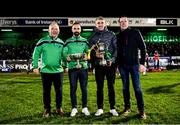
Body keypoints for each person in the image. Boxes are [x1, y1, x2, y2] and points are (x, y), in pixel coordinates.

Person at [116, 16, 147, 119]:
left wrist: (142, 63)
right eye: (121, 21)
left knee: (137, 88)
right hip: (122, 66)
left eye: (125, 21)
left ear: (128, 22)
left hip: (134, 65)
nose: (123, 23)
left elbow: (143, 48)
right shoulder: (117, 35)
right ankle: (127, 108)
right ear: (119, 23)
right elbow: (117, 53)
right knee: (125, 88)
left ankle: (141, 111)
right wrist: (117, 66)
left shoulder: (135, 32)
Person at [32, 21, 64, 118]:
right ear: (49, 30)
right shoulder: (42, 41)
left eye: (56, 29)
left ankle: (59, 108)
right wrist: (35, 66)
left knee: (59, 91)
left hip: (58, 71)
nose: (54, 31)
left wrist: (66, 65)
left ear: (59, 30)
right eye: (52, 29)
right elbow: (35, 53)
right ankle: (47, 109)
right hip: (45, 71)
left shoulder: (61, 42)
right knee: (46, 91)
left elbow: (64, 55)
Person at [88, 16, 118, 116]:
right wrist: (95, 55)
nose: (100, 24)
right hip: (98, 65)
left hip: (110, 65)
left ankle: (112, 108)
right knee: (99, 87)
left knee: (111, 87)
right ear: (95, 24)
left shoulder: (111, 34)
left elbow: (116, 49)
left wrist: (111, 60)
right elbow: (90, 52)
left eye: (102, 22)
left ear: (105, 23)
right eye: (98, 23)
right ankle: (100, 108)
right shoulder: (92, 36)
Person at [63, 22, 90, 117]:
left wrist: (88, 56)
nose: (76, 30)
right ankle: (74, 108)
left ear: (80, 30)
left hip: (83, 68)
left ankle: (84, 107)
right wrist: (66, 57)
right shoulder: (68, 41)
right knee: (73, 88)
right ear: (72, 30)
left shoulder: (85, 41)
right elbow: (64, 52)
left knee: (84, 89)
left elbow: (88, 51)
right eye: (75, 28)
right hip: (72, 68)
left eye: (78, 28)